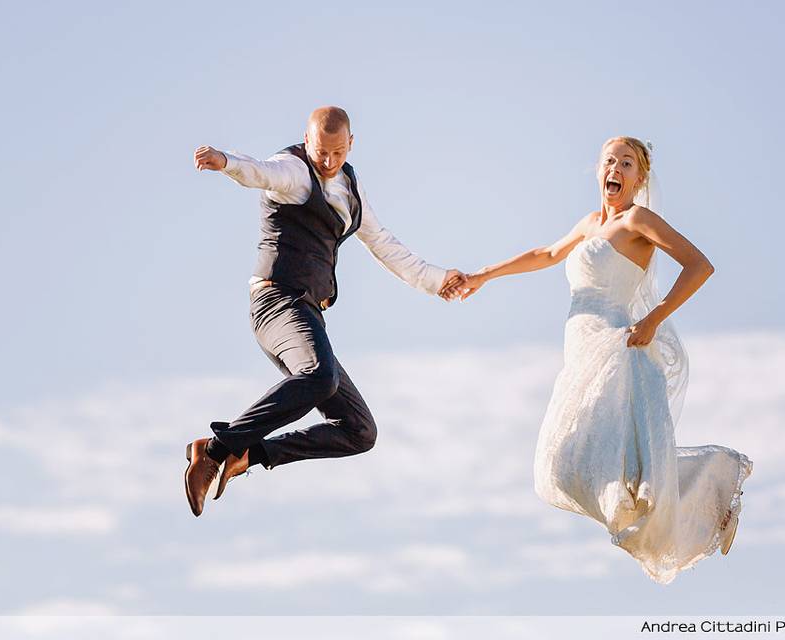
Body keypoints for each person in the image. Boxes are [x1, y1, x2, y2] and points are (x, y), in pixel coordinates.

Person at [449, 137, 752, 583]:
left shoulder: (639, 220)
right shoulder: (590, 223)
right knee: (562, 467)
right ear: (599, 171)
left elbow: (699, 265)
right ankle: (708, 489)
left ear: (639, 178)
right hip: (581, 354)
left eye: (626, 163)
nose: (616, 168)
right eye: (610, 160)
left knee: (622, 479)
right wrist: (483, 276)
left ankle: (714, 482)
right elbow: (548, 255)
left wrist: (653, 319)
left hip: (621, 349)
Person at [184, 106, 463, 517]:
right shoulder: (293, 171)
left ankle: (251, 455)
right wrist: (225, 162)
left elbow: (384, 244)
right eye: (320, 153)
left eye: (337, 153)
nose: (329, 163)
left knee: (359, 431)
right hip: (276, 304)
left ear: (351, 144)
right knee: (318, 377)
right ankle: (214, 451)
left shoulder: (350, 188)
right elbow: (260, 171)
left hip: (308, 312)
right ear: (307, 141)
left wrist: (438, 281)